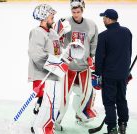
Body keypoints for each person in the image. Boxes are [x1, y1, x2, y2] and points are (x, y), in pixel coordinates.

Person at [55, 0, 99, 130]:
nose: (75, 14)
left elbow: (94, 43)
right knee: (64, 97)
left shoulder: (91, 24)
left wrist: (91, 57)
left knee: (85, 94)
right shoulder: (66, 23)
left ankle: (80, 114)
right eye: (73, 12)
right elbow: (59, 44)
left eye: (78, 12)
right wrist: (59, 32)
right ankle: (57, 120)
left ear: (83, 10)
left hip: (84, 67)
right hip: (69, 67)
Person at [28, 4, 70, 134]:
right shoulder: (37, 32)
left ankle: (44, 126)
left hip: (54, 76)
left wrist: (67, 56)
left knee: (53, 105)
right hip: (42, 76)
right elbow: (36, 54)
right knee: (47, 104)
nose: (53, 18)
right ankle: (38, 128)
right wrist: (55, 64)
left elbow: (57, 52)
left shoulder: (53, 33)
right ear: (44, 17)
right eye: (51, 16)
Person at [95, 9, 132, 134]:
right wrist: (127, 70)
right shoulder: (127, 32)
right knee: (121, 99)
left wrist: (97, 75)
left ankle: (112, 129)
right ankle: (123, 125)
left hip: (109, 76)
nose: (103, 20)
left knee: (109, 102)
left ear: (109, 19)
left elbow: (99, 59)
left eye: (104, 18)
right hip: (123, 74)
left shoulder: (103, 36)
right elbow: (128, 53)